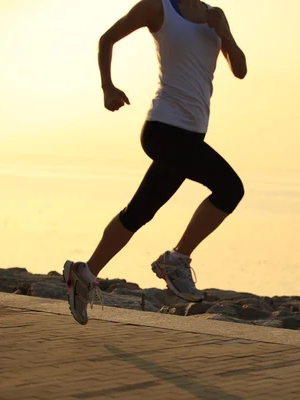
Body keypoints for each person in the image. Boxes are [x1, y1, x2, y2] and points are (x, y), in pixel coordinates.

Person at [62, 0, 247, 325]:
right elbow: (107, 39)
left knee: (140, 212)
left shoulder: (213, 16)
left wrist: (225, 33)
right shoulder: (158, 7)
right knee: (230, 188)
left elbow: (241, 70)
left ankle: (84, 274)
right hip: (164, 129)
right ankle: (176, 260)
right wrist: (108, 87)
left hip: (191, 136)